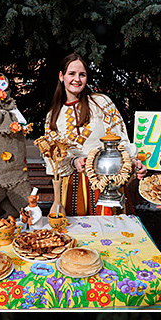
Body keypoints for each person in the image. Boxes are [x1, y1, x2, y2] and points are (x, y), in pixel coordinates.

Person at [46, 52, 131, 216]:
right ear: (61, 76)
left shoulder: (101, 103)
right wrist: (72, 161)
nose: (77, 79)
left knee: (111, 234)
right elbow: (51, 156)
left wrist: (130, 164)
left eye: (82, 75)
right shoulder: (53, 116)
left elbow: (121, 139)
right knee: (77, 236)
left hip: (106, 181)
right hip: (72, 186)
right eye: (71, 73)